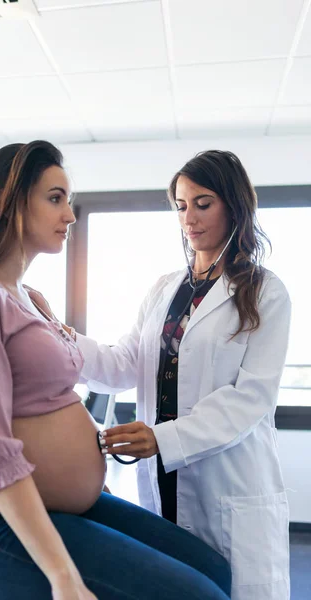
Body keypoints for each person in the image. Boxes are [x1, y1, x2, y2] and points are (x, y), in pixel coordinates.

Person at [0, 141, 231, 600]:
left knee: (213, 569)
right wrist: (63, 577)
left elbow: (53, 395)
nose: (69, 215)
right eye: (55, 198)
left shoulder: (27, 295)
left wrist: (87, 464)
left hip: (63, 505)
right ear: (11, 202)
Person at [63, 150, 291, 600]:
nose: (189, 218)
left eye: (203, 203)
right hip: (166, 479)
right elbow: (123, 363)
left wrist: (161, 438)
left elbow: (250, 398)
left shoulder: (266, 291)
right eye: (181, 205)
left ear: (235, 205)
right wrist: (60, 333)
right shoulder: (166, 289)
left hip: (229, 479)